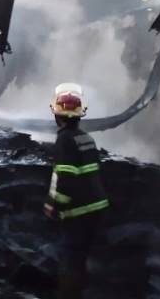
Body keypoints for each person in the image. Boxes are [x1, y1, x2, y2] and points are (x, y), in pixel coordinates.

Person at [43, 83, 109, 299]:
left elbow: (65, 178)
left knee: (70, 258)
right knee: (81, 257)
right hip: (97, 208)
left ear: (56, 115)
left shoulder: (64, 140)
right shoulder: (86, 138)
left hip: (78, 212)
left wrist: (53, 206)